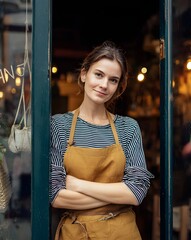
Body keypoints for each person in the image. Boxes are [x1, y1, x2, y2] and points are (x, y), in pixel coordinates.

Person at [50, 40, 154, 240]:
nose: (104, 85)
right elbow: (56, 196)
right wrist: (116, 197)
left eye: (113, 80)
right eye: (98, 74)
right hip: (75, 233)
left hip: (122, 233)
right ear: (83, 74)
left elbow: (136, 192)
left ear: (118, 86)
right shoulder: (59, 126)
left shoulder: (128, 128)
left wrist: (78, 185)